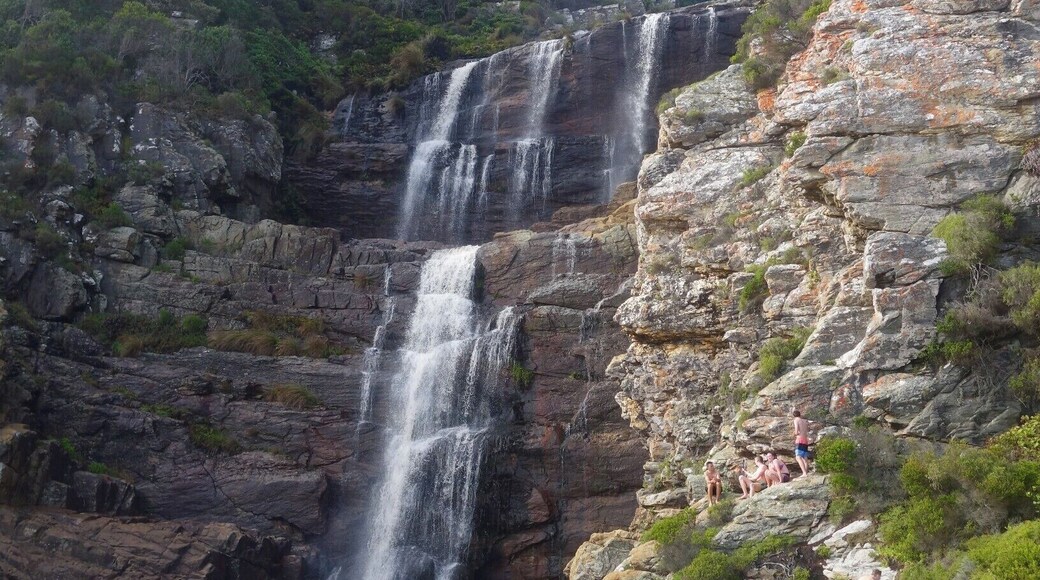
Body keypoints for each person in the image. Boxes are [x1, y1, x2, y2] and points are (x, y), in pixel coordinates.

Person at [792, 409, 812, 477]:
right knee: (805, 457)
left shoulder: (796, 420)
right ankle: (806, 472)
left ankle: (804, 473)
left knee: (798, 457)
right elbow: (808, 430)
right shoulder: (804, 421)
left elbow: (796, 431)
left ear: (794, 416)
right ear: (800, 414)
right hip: (805, 440)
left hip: (800, 439)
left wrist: (794, 434)